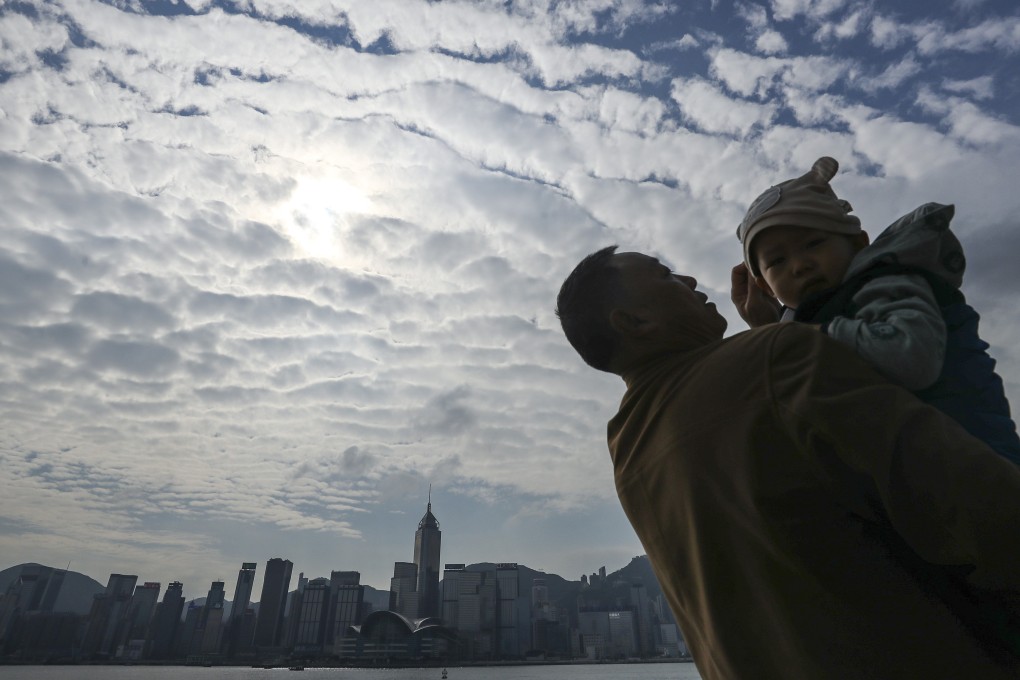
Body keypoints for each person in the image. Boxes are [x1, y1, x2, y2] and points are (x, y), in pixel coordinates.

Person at [556, 245, 1020, 679]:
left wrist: (770, 334)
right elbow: (976, 502)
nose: (690, 279)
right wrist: (780, 335)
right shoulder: (775, 357)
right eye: (665, 275)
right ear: (634, 321)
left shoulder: (629, 448)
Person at [731, 156, 1020, 463]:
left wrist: (799, 338)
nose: (800, 265)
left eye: (814, 243)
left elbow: (911, 356)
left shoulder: (884, 282)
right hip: (922, 473)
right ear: (764, 286)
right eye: (777, 261)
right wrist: (770, 332)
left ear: (858, 245)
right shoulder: (816, 317)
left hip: (979, 462)